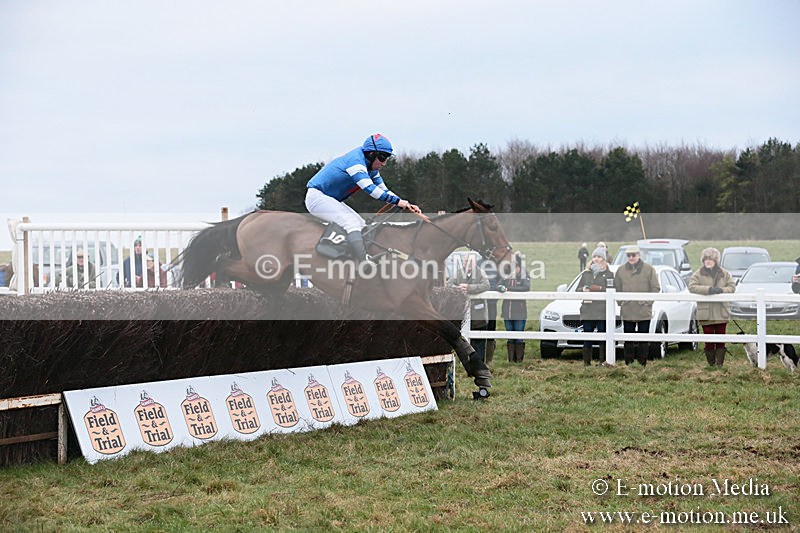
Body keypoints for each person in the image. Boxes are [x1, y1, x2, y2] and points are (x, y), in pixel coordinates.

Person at [305, 134, 421, 263]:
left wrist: (405, 204)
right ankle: (363, 262)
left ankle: (352, 259)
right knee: (351, 223)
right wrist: (398, 202)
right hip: (317, 197)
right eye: (382, 157)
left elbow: (384, 190)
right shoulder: (356, 162)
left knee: (362, 226)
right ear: (371, 154)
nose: (384, 163)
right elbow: (371, 190)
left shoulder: (371, 168)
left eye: (386, 158)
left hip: (329, 199)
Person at [688, 247, 737, 366]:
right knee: (709, 340)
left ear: (716, 261)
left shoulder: (724, 274)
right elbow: (692, 287)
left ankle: (719, 365)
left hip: (721, 311)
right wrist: (708, 290)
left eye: (711, 259)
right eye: (706, 259)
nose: (708, 261)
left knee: (721, 339)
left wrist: (721, 290)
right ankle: (711, 364)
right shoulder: (698, 274)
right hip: (706, 313)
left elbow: (732, 287)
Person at [614, 245, 660, 366]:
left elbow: (655, 288)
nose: (631, 258)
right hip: (627, 309)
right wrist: (620, 301)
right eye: (628, 255)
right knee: (628, 338)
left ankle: (642, 363)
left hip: (643, 310)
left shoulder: (649, 269)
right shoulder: (621, 270)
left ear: (639, 255)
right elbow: (616, 287)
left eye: (633, 255)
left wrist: (647, 302)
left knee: (643, 338)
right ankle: (628, 363)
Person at [447, 254, 490, 364]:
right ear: (463, 262)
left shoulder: (481, 273)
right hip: (463, 313)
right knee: (465, 339)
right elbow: (449, 283)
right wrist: (457, 289)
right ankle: (467, 362)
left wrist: (469, 288)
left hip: (479, 314)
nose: (468, 264)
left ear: (475, 263)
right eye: (466, 262)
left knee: (479, 340)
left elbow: (486, 285)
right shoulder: (459, 273)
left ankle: (480, 363)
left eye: (471, 262)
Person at [577, 247, 614, 366]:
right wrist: (583, 289)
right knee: (587, 336)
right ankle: (586, 363)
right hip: (587, 310)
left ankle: (602, 362)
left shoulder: (609, 274)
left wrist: (599, 289)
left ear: (604, 259)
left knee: (603, 336)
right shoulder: (586, 273)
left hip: (602, 310)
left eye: (599, 257)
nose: (596, 259)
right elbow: (577, 289)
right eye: (594, 257)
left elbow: (612, 289)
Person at [498, 252, 530, 363]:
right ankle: (511, 361)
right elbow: (499, 285)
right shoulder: (506, 274)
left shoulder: (524, 274)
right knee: (510, 336)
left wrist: (508, 289)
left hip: (519, 311)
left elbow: (526, 287)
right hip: (507, 311)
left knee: (519, 336)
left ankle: (519, 361)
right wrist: (501, 288)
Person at [479, 257, 502, 365]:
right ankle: (479, 358)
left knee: (491, 328)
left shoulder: (496, 265)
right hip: (479, 303)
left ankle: (489, 359)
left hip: (492, 303)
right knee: (479, 328)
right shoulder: (478, 264)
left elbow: (501, 281)